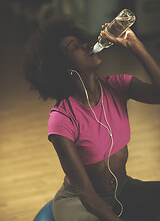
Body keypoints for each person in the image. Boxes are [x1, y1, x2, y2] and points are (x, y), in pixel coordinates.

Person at [24, 16, 160, 221]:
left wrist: (135, 46)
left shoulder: (118, 86)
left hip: (122, 191)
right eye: (75, 47)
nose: (86, 45)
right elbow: (85, 193)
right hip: (79, 202)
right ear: (62, 66)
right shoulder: (62, 119)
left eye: (81, 42)